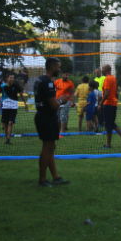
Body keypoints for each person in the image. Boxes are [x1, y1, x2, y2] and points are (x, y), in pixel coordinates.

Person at [34, 57, 69, 187]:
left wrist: (57, 100)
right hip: (47, 117)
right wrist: (62, 101)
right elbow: (54, 105)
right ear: (53, 68)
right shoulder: (48, 82)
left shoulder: (39, 80)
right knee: (47, 147)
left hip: (42, 115)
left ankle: (55, 177)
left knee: (51, 147)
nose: (59, 70)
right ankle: (42, 180)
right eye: (59, 67)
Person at [100, 64, 121, 148]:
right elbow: (116, 91)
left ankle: (108, 144)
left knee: (108, 124)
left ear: (105, 69)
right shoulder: (114, 78)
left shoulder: (108, 79)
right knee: (111, 123)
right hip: (114, 103)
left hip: (108, 103)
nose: (102, 70)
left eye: (102, 69)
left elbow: (107, 92)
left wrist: (100, 103)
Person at [0, 73, 20, 145]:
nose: (12, 79)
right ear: (7, 79)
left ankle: (8, 138)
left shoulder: (15, 86)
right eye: (10, 77)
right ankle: (7, 138)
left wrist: (25, 104)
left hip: (13, 106)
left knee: (10, 122)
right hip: (5, 106)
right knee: (5, 123)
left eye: (13, 78)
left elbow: (20, 94)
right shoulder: (2, 86)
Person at [54, 70, 75, 134]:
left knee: (63, 115)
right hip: (58, 101)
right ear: (62, 75)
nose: (67, 76)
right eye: (66, 75)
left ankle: (62, 131)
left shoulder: (70, 83)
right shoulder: (57, 81)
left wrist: (72, 102)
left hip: (66, 101)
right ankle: (57, 129)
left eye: (68, 75)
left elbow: (72, 93)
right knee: (57, 116)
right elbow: (53, 91)